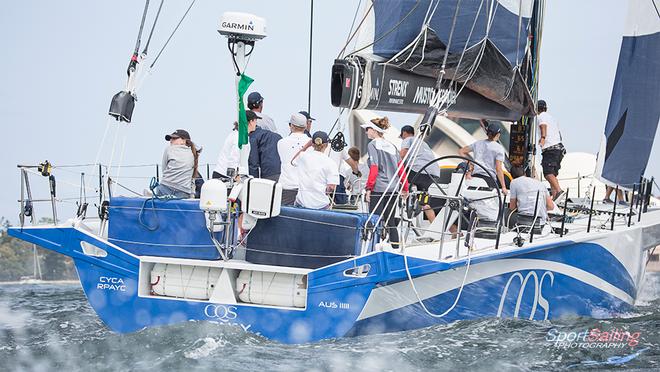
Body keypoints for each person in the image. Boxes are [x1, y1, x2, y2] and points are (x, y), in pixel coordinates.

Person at [363, 117, 407, 248]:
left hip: (379, 188)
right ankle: (395, 247)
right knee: (390, 220)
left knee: (374, 220)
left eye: (367, 129)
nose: (366, 132)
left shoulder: (372, 145)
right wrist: (405, 188)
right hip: (393, 189)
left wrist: (369, 188)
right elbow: (401, 169)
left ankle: (372, 248)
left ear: (374, 130)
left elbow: (374, 168)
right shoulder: (392, 146)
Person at [399, 125, 441, 222]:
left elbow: (402, 155)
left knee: (396, 173)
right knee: (424, 203)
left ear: (404, 133)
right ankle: (434, 228)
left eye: (401, 136)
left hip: (418, 171)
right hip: (432, 174)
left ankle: (404, 195)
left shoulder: (408, 139)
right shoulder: (423, 143)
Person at [291, 131, 339, 209]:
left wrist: (306, 146)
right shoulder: (331, 163)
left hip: (302, 203)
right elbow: (332, 187)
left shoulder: (303, 156)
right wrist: (325, 191)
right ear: (326, 145)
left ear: (312, 144)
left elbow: (293, 161)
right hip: (321, 205)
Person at [458, 122, 508, 194]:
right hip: (488, 179)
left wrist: (470, 164)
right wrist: (503, 187)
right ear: (498, 135)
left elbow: (461, 151)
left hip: (474, 177)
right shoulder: (499, 148)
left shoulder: (477, 143)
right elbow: (498, 169)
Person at [152, 129, 199, 198]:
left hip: (167, 188)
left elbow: (164, 168)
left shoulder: (169, 149)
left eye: (174, 138)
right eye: (170, 138)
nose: (171, 141)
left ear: (184, 140)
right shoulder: (193, 153)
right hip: (182, 191)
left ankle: (150, 194)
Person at [277, 113, 310, 205]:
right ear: (305, 126)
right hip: (305, 188)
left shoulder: (281, 142)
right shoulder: (311, 144)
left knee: (285, 217)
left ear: (291, 126)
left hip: (287, 186)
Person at [537, 99, 565, 200]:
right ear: (546, 108)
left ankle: (559, 191)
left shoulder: (541, 116)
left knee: (548, 173)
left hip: (550, 149)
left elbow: (543, 126)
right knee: (552, 174)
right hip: (559, 148)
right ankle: (555, 197)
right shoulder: (552, 118)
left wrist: (543, 138)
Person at [247, 110, 282, 181]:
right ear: (251, 121)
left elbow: (253, 163)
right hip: (282, 173)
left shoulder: (253, 138)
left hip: (268, 174)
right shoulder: (276, 136)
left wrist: (253, 181)